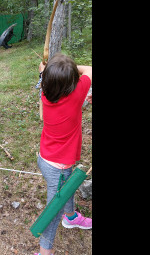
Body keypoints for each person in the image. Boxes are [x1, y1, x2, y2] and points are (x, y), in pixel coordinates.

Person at [34, 53, 92, 255]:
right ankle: (44, 252)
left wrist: (47, 70)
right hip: (58, 167)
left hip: (45, 158)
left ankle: (71, 216)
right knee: (52, 213)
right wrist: (72, 69)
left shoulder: (44, 90)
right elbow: (90, 70)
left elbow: (44, 74)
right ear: (72, 84)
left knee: (67, 187)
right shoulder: (77, 94)